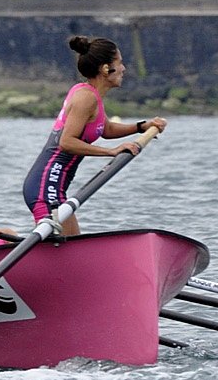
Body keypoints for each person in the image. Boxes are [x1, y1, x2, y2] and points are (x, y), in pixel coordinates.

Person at [21, 35, 167, 236]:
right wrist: (111, 152)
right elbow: (67, 142)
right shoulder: (86, 97)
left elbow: (105, 129)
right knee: (66, 250)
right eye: (120, 63)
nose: (124, 69)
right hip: (46, 185)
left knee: (71, 246)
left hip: (52, 187)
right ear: (106, 68)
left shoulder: (90, 94)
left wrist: (142, 126)